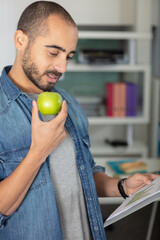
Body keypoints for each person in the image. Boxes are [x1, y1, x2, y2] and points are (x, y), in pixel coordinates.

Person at [0, 1, 158, 240]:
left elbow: (84, 174)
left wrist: (122, 186)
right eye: (53, 52)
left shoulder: (69, 104)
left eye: (68, 56)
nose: (62, 67)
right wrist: (39, 151)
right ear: (21, 40)